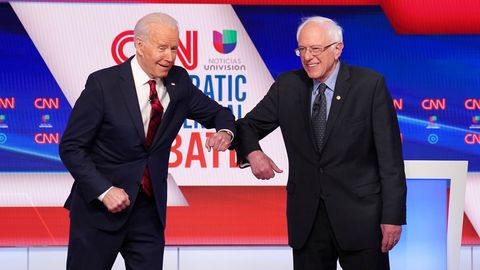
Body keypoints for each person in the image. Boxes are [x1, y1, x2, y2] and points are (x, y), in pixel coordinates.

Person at [59, 12, 235, 270]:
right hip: (99, 211)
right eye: (162, 48)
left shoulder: (179, 81)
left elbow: (219, 113)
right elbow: (71, 147)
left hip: (148, 215)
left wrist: (225, 132)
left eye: (174, 48)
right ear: (139, 45)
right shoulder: (103, 84)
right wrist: (104, 191)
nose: (170, 57)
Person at [236, 16, 406, 270]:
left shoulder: (369, 85)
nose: (307, 57)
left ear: (337, 49)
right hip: (308, 221)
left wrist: (392, 217)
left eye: (315, 49)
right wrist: (253, 153)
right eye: (302, 49)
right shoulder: (288, 86)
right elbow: (246, 126)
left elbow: (390, 159)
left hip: (361, 220)